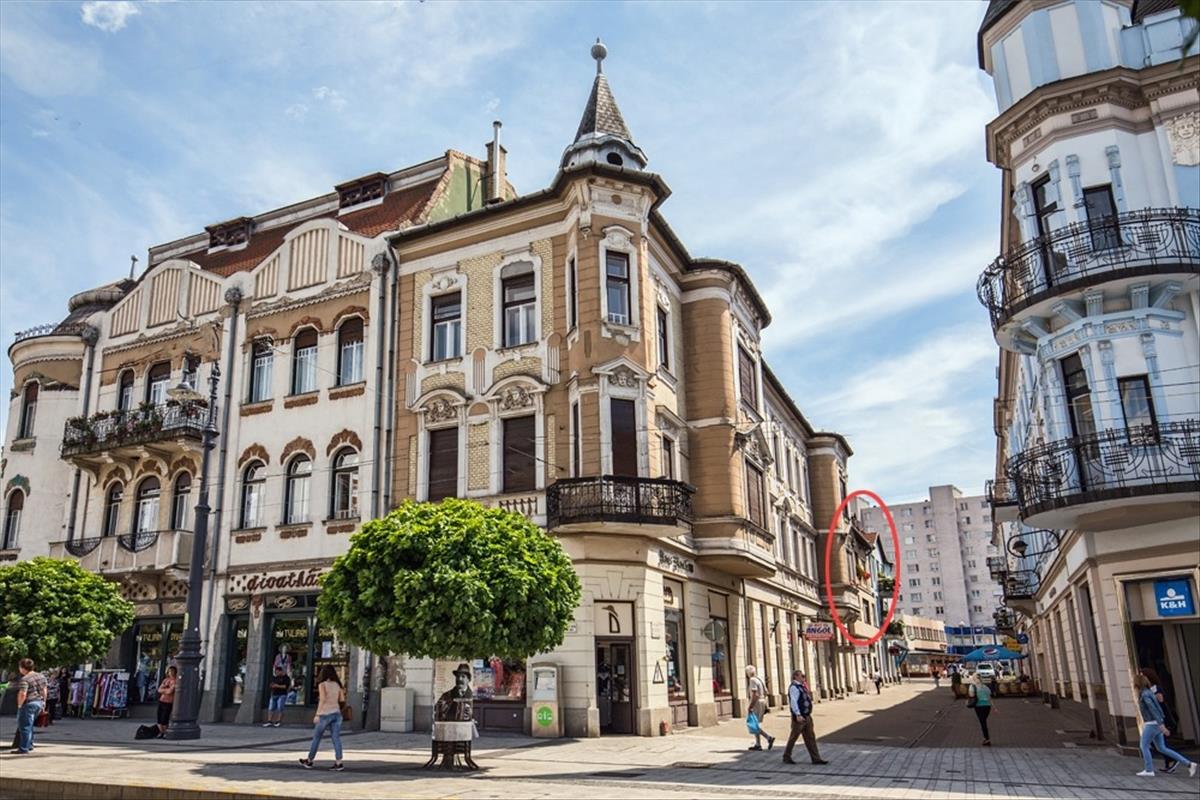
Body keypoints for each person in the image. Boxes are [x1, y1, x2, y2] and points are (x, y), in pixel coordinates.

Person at [1134, 673, 1196, 778]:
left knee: (1144, 746)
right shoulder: (1149, 692)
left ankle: (1149, 770)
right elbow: (1158, 708)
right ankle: (1189, 764)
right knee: (1162, 748)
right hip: (1157, 723)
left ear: (1137, 684)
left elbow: (1153, 710)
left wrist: (1161, 725)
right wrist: (1161, 722)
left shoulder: (1144, 695)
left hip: (1152, 724)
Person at [299, 665, 345, 771]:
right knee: (336, 738)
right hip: (337, 713)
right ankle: (339, 762)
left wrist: (317, 714)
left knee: (317, 737)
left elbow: (323, 700)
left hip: (325, 714)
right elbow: (342, 699)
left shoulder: (322, 685)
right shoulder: (338, 685)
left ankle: (309, 760)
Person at [783, 670, 828, 766]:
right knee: (794, 737)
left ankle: (816, 758)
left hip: (807, 716)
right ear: (796, 677)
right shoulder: (794, 687)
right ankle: (786, 756)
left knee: (810, 737)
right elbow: (793, 702)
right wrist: (797, 714)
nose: (804, 677)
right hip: (800, 717)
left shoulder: (802, 686)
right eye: (802, 676)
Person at [1140, 668, 1179, 773]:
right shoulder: (1147, 690)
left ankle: (1173, 759)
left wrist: (1153, 697)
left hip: (1160, 719)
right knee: (1159, 744)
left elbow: (1161, 700)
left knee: (1159, 744)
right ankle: (1170, 761)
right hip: (1155, 720)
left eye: (1143, 676)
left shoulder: (1156, 688)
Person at [11, 658, 47, 755]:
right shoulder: (41, 676)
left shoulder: (25, 679)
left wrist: (19, 705)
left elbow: (23, 693)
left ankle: (24, 748)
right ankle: (29, 744)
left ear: (23, 668)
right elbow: (44, 690)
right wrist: (44, 702)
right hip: (38, 703)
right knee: (30, 725)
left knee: (25, 727)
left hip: (28, 704)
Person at [745, 665, 774, 751]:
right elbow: (766, 692)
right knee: (756, 723)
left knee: (753, 723)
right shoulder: (759, 679)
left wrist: (750, 706)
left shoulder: (752, 680)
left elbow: (755, 694)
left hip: (756, 703)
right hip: (762, 701)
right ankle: (758, 744)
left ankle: (768, 738)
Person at [968, 674, 994, 745]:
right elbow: (989, 697)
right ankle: (986, 738)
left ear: (974, 679)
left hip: (979, 706)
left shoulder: (972, 686)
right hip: (987, 706)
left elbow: (971, 695)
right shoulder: (985, 687)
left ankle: (987, 739)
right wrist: (994, 707)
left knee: (983, 722)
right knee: (983, 721)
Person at [156, 665, 177, 737]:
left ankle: (165, 732)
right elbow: (159, 690)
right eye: (169, 671)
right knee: (159, 718)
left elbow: (170, 691)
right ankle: (161, 732)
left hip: (168, 702)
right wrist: (166, 690)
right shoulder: (165, 680)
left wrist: (164, 690)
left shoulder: (175, 681)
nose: (170, 673)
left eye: (172, 671)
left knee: (164, 718)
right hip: (161, 700)